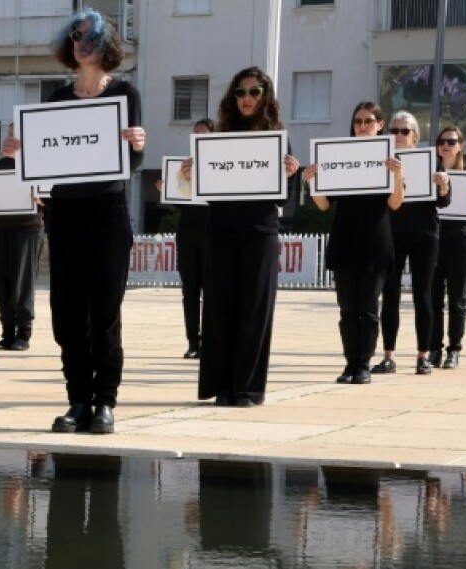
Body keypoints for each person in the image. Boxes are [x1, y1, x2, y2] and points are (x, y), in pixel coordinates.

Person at [3, 9, 145, 433]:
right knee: (66, 312)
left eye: (91, 36)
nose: (82, 42)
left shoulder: (125, 93)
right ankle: (78, 400)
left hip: (106, 212)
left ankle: (106, 402)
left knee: (104, 311)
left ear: (106, 44)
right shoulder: (57, 98)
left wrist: (137, 144)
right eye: (76, 35)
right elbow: (45, 160)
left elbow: (130, 162)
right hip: (64, 214)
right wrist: (18, 150)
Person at [184, 66, 300, 408]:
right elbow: (205, 190)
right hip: (220, 229)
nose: (246, 99)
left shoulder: (277, 135)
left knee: (254, 311)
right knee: (220, 309)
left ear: (265, 96)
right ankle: (222, 385)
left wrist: (291, 174)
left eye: (254, 92)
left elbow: (281, 198)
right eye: (240, 92)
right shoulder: (220, 134)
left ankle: (247, 388)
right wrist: (191, 173)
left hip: (260, 232)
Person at [305, 101, 405, 385]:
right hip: (345, 239)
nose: (362, 126)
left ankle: (363, 365)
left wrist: (398, 175)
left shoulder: (390, 159)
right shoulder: (338, 155)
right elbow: (324, 205)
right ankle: (349, 363)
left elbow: (396, 203)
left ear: (380, 125)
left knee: (369, 308)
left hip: (375, 240)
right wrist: (312, 182)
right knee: (347, 309)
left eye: (368, 121)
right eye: (358, 121)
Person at [371, 110, 451, 376]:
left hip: (424, 234)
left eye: (404, 131)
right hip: (392, 232)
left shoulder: (430, 160)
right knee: (390, 294)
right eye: (393, 130)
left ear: (415, 137)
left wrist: (443, 186)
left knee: (423, 294)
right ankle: (389, 356)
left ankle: (423, 356)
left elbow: (442, 203)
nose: (398, 135)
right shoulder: (381, 160)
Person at [429, 125, 466, 370]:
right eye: (442, 141)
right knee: (433, 298)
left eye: (452, 141)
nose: (446, 145)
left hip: (461, 237)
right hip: (434, 236)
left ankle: (454, 349)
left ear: (461, 145)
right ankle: (434, 349)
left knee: (458, 298)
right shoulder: (430, 172)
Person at [157, 117, 213, 359]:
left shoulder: (222, 166)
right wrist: (166, 187)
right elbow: (180, 202)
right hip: (188, 234)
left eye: (204, 134)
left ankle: (212, 342)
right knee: (190, 291)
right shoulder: (183, 167)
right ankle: (193, 342)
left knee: (213, 292)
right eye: (196, 134)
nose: (199, 137)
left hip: (213, 234)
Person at [0, 123, 42, 351]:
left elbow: (49, 196)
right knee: (1, 280)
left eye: (17, 134)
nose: (12, 139)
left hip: (28, 227)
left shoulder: (39, 163)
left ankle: (24, 333)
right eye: (9, 134)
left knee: (22, 280)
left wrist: (41, 198)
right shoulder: (1, 164)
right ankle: (7, 332)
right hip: (1, 226)